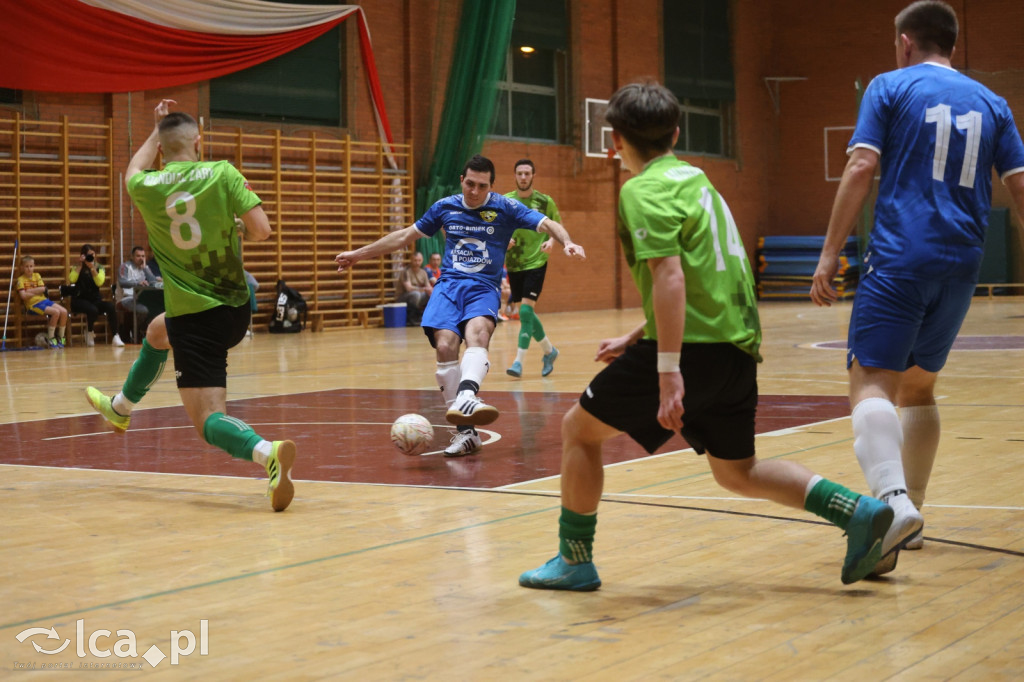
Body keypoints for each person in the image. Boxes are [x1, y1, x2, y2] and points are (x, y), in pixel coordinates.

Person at [519, 82, 893, 592]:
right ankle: (858, 511)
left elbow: (670, 277)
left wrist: (668, 369)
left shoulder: (642, 189)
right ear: (676, 133)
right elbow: (705, 276)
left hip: (691, 352)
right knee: (737, 472)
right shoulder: (698, 180)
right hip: (734, 348)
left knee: (578, 432)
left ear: (613, 140)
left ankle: (574, 560)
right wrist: (638, 333)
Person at [811, 0, 1024, 576]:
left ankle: (893, 503)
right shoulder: (994, 103)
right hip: (962, 264)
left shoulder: (889, 85)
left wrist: (829, 254)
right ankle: (916, 513)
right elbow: (1019, 186)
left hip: (902, 256)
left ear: (905, 41)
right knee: (920, 389)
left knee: (870, 387)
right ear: (951, 43)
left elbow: (860, 168)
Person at [86, 99, 296, 512]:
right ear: (199, 140)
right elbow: (262, 231)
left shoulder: (148, 186)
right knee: (156, 332)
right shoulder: (223, 172)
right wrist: (234, 225)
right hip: (237, 308)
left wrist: (154, 128)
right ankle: (120, 409)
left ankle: (267, 452)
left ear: (162, 149)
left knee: (208, 422)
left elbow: (131, 171)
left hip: (196, 318)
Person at [336, 154, 586, 456]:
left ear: (491, 186)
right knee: (445, 346)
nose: (475, 191)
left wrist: (567, 241)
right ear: (461, 181)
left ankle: (467, 394)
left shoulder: (506, 207)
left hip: (483, 287)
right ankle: (466, 433)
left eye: (482, 186)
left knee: (478, 333)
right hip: (449, 287)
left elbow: (549, 223)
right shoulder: (445, 207)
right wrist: (358, 254)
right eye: (470, 184)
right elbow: (404, 236)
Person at [504, 159, 563, 377]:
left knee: (526, 312)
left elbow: (556, 226)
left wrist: (551, 241)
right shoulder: (507, 201)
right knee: (525, 314)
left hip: (537, 261)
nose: (523, 177)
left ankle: (518, 362)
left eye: (527, 173)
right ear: (515, 175)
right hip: (515, 261)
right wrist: (504, 239)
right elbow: (499, 227)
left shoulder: (545, 201)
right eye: (519, 173)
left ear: (533, 176)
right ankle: (549, 351)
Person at [67, 243, 122, 347]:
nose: (91, 257)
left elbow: (99, 282)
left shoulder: (99, 267)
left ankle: (115, 335)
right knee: (93, 309)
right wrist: (80, 265)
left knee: (110, 306)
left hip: (94, 299)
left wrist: (92, 268)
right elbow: (72, 279)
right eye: (88, 255)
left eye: (93, 254)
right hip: (79, 299)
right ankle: (89, 332)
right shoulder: (76, 266)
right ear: (82, 255)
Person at [16, 255, 68, 348]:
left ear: (34, 266)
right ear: (22, 267)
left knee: (64, 312)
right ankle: (51, 338)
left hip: (44, 300)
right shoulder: (20, 280)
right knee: (56, 312)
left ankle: (61, 337)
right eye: (26, 266)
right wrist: (36, 291)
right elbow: (23, 296)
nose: (29, 269)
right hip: (33, 305)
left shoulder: (37, 275)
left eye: (31, 266)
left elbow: (43, 289)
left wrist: (29, 291)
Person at [117, 245, 161, 342]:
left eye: (143, 256)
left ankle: (142, 332)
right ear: (132, 257)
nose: (141, 258)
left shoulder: (145, 267)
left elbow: (153, 282)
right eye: (138, 256)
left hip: (139, 298)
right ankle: (136, 332)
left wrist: (145, 269)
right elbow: (122, 282)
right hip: (126, 298)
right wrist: (137, 283)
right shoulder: (125, 266)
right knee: (144, 310)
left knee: (157, 308)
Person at [395, 251, 432, 326]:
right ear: (411, 260)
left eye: (419, 260)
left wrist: (432, 292)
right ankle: (412, 317)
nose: (417, 262)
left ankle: (428, 317)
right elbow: (408, 288)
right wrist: (423, 289)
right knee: (416, 294)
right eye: (415, 260)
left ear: (422, 261)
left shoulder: (423, 272)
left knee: (431, 295)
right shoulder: (406, 271)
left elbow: (429, 287)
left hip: (419, 295)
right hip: (402, 297)